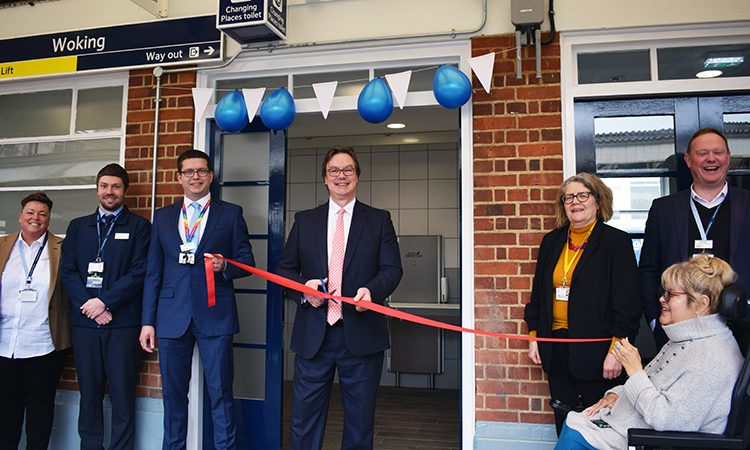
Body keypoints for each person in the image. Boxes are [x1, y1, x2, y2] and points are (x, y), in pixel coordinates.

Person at [276, 145, 402, 450]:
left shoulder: (378, 219)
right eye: (334, 170)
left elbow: (392, 269)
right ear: (324, 178)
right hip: (313, 336)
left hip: (361, 335)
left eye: (348, 170)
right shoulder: (305, 221)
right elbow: (284, 270)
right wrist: (304, 291)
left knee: (360, 423)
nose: (341, 176)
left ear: (357, 176)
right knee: (304, 419)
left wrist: (371, 291)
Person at [556, 254, 745, 450]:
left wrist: (634, 370)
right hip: (626, 425)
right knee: (574, 424)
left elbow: (665, 419)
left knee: (574, 430)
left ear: (701, 304)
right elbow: (653, 385)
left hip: (643, 440)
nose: (662, 299)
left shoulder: (711, 359)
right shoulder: (687, 338)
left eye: (671, 294)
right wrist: (615, 394)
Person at [139, 149, 254, 450]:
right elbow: (153, 272)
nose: (196, 177)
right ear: (179, 178)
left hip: (215, 315)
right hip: (171, 316)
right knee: (173, 396)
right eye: (189, 172)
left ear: (211, 176)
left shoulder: (230, 213)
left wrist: (225, 265)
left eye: (202, 171)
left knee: (220, 393)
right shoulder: (163, 217)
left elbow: (246, 261)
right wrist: (147, 322)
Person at [524, 172, 642, 435]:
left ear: (598, 202)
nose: (574, 202)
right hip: (556, 348)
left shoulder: (616, 242)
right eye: (568, 198)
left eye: (582, 195)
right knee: (563, 418)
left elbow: (628, 304)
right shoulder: (551, 241)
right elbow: (538, 297)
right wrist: (535, 337)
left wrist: (616, 351)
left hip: (599, 352)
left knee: (598, 424)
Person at [61, 163, 151, 450]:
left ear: (124, 190)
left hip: (122, 324)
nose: (109, 192)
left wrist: (104, 301)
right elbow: (68, 272)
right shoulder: (78, 227)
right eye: (104, 186)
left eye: (115, 186)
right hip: (86, 323)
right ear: (97, 189)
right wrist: (90, 304)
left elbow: (139, 272)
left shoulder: (139, 227)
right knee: (89, 394)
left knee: (123, 395)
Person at [640, 128, 750, 351]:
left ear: (728, 158)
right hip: (678, 330)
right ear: (689, 160)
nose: (711, 158)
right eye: (703, 153)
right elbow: (648, 269)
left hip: (740, 328)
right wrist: (655, 320)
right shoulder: (663, 209)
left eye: (718, 152)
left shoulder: (747, 204)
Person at [0, 192, 71, 450]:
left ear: (49, 218)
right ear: (20, 217)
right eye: (30, 212)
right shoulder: (3, 245)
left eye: (42, 214)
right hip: (5, 343)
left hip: (43, 343)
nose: (35, 218)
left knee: (40, 411)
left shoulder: (62, 248)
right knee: (6, 409)